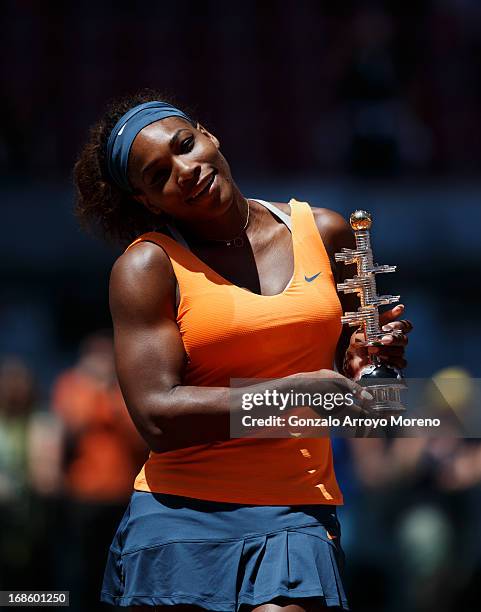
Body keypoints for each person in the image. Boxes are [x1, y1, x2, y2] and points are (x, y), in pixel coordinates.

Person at [73, 90, 412, 612]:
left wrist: (375, 370)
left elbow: (371, 409)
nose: (184, 170)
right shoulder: (147, 268)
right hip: (178, 517)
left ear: (209, 134)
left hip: (294, 511)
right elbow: (157, 419)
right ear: (147, 202)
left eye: (185, 145)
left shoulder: (325, 231)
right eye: (158, 175)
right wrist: (292, 395)